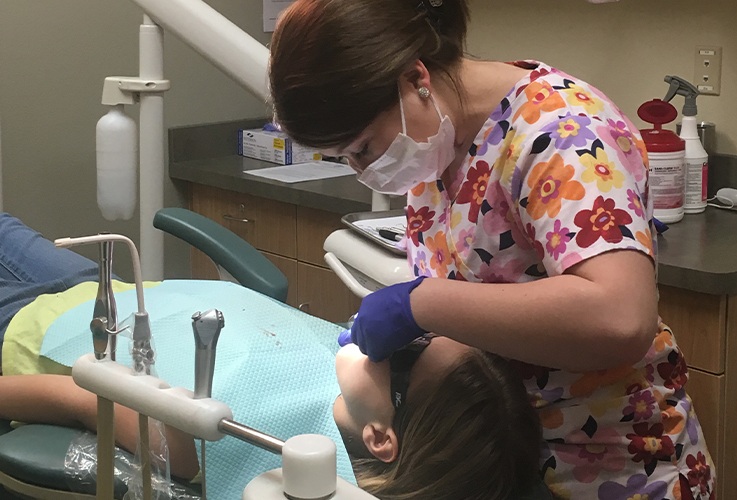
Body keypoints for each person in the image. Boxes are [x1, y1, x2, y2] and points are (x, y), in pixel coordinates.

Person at [268, 0, 715, 498]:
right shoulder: (442, 144)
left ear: (415, 78)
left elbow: (620, 318)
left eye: (362, 148)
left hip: (610, 466)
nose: (360, 170)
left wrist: (421, 305)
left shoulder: (562, 132)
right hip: (500, 462)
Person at [0, 212, 545, 499]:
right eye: (423, 331)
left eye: (406, 355)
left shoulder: (213, 440)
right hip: (107, 289)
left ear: (382, 437)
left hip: (32, 327)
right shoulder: (350, 373)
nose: (394, 340)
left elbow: (72, 397)